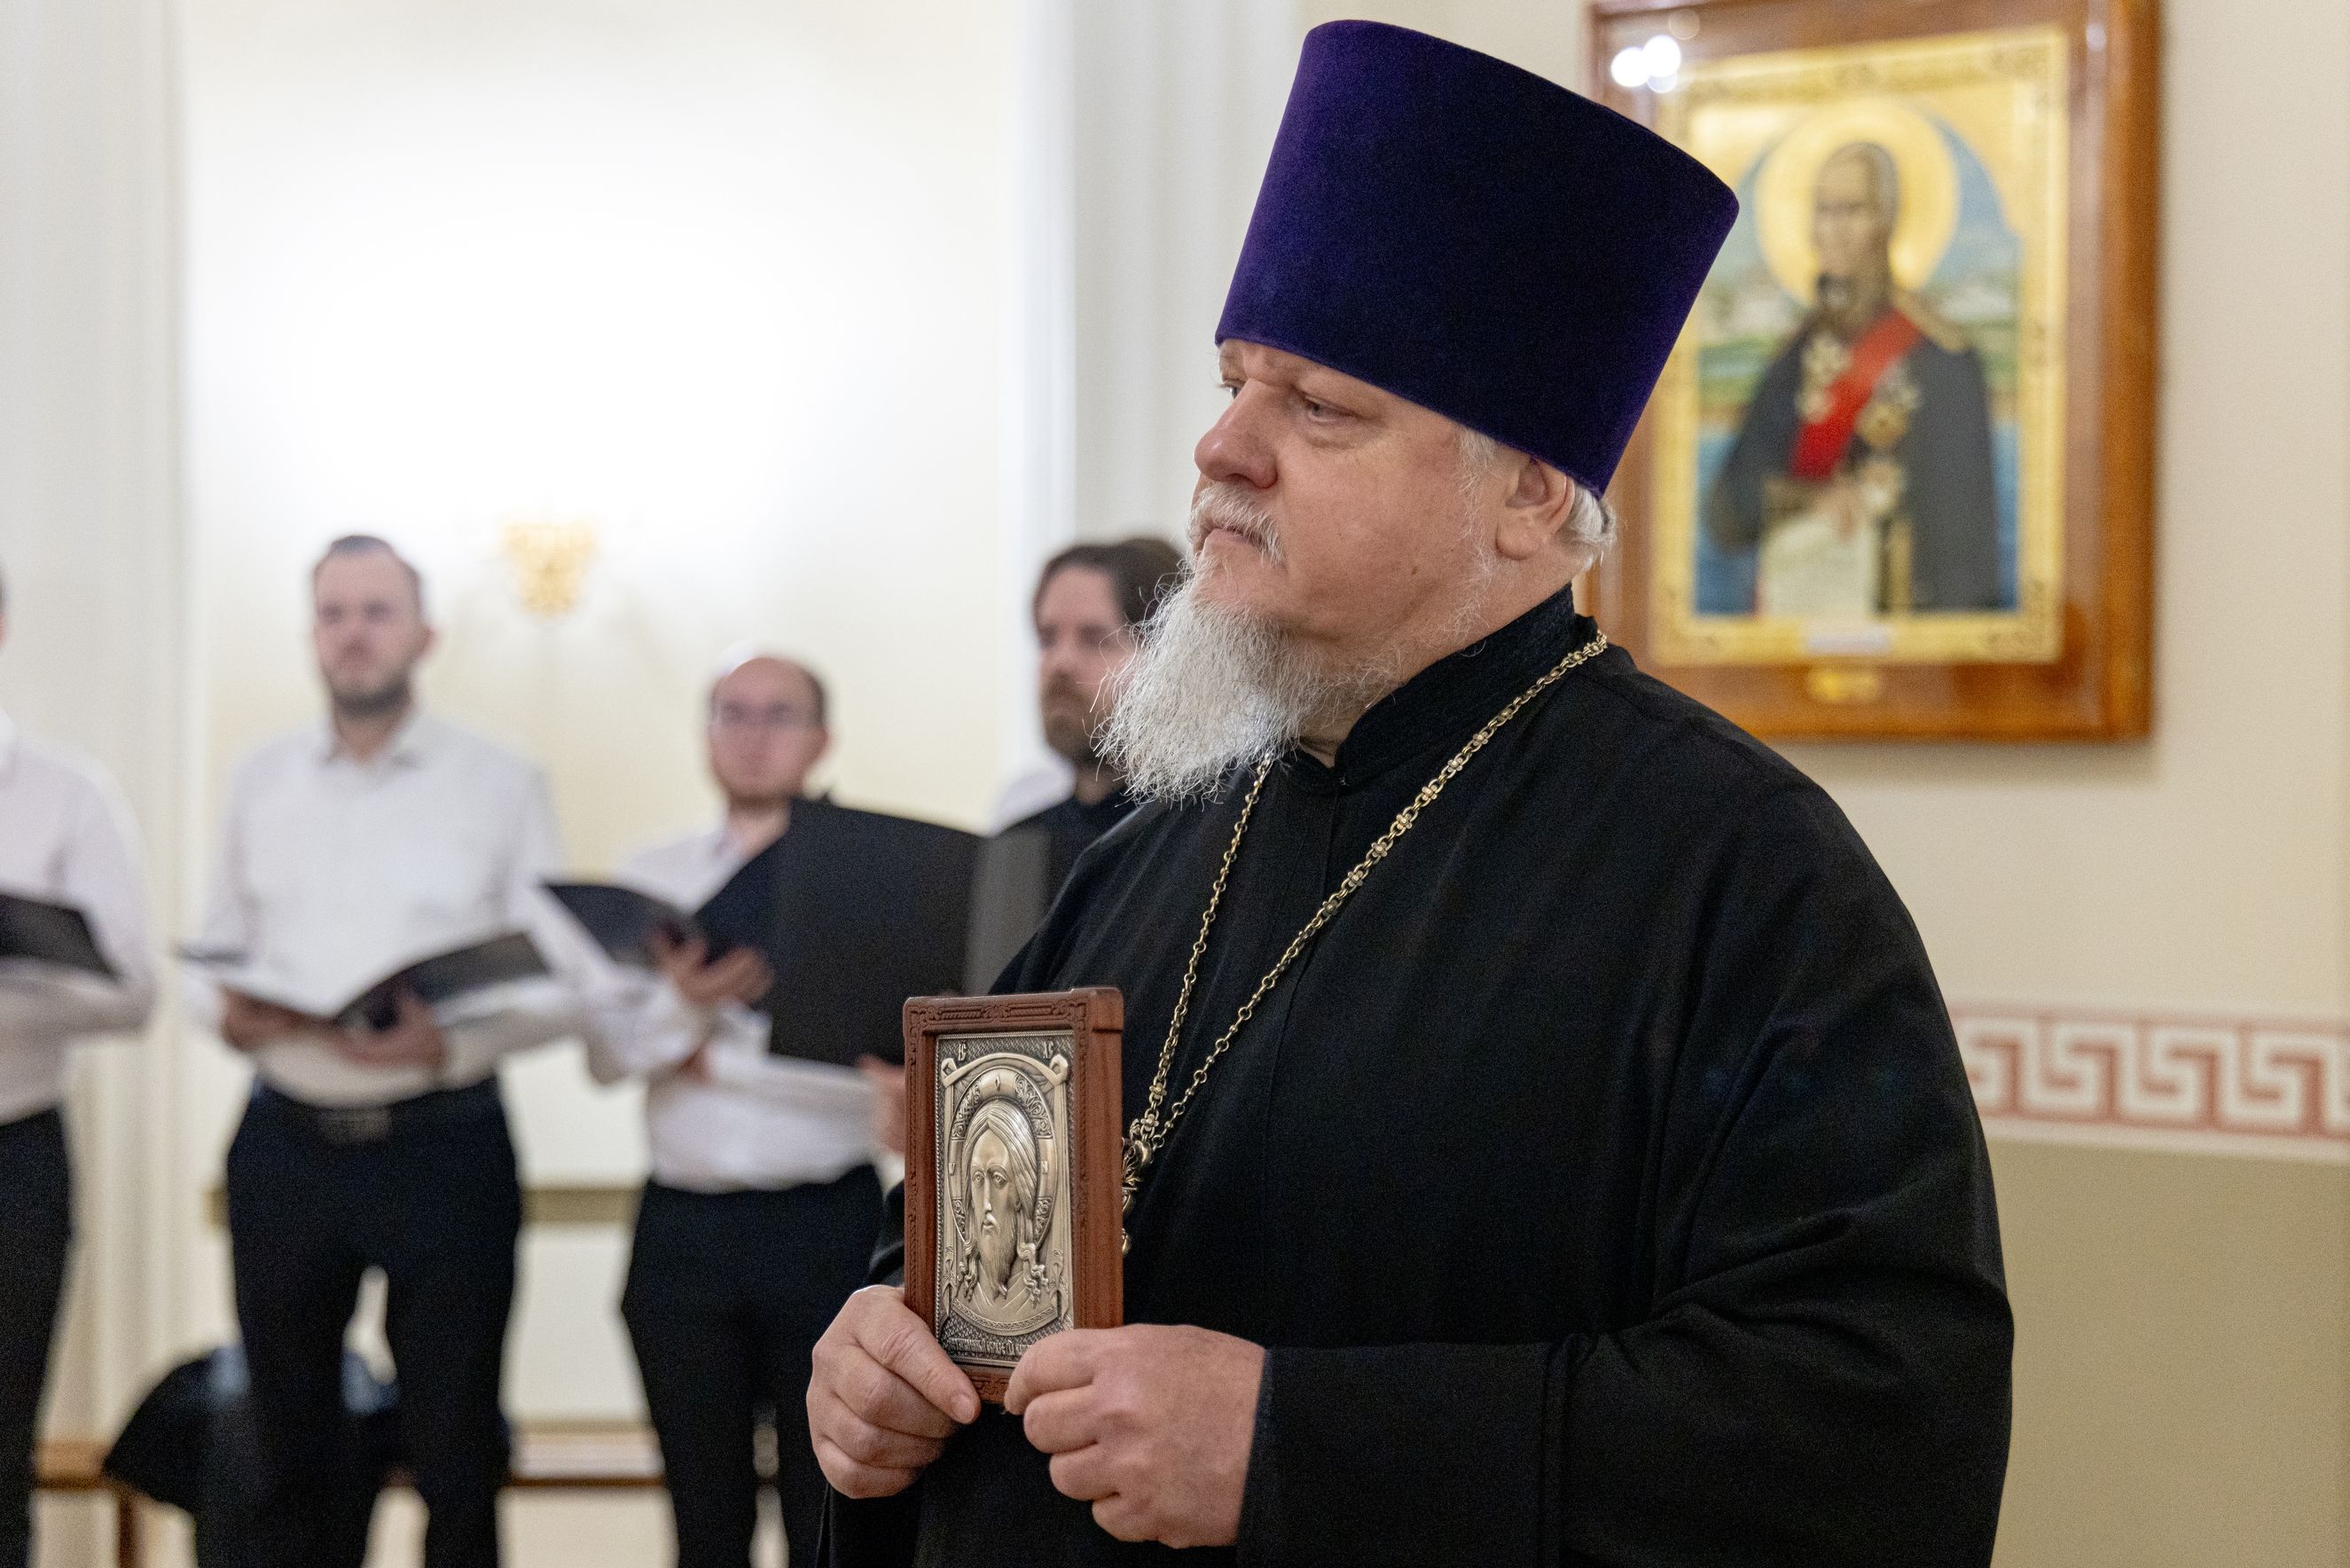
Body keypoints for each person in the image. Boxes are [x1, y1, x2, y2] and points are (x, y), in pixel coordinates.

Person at [809, 23, 2010, 1568]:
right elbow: (972, 1260)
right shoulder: (1160, 837)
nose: (1221, 447)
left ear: (1528, 492)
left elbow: (1877, 1427)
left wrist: (1296, 1448)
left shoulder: (1740, 874)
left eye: (1318, 407)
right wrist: (879, 1353)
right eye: (1234, 383)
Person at [189, 536, 578, 1568]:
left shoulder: (499, 780)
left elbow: (562, 980)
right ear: (312, 634)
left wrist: (451, 1040)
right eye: (333, 613)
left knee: (457, 1450)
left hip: (443, 1142)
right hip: (286, 1144)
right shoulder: (260, 778)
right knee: (284, 1449)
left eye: (375, 611)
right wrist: (227, 1013)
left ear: (424, 634)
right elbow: (209, 953)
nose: (353, 633)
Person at [581, 654, 890, 1568]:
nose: (753, 736)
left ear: (822, 740)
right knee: (702, 1515)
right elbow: (605, 1054)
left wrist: (705, 1057)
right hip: (684, 1231)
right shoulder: (655, 875)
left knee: (827, 1510)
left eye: (778, 715)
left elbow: (873, 1069)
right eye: (732, 713)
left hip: (826, 1224)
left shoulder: (865, 883)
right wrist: (688, 1005)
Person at [0, 565, 156, 1568]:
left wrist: (16, 978)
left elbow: (133, 991)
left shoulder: (67, 795)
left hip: (12, 1154)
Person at [1704, 139, 2003, 613]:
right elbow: (1727, 515)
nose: (1835, 230)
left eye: (1853, 210)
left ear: (1887, 220)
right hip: (1797, 622)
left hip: (1906, 630)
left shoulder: (1941, 358)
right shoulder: (1793, 359)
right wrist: (1808, 502)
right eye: (1824, 211)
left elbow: (1964, 551)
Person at [1008, 537, 1183, 890]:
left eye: (1094, 639)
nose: (1060, 663)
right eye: (1047, 639)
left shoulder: (1200, 839)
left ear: (1168, 661)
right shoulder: (1019, 846)